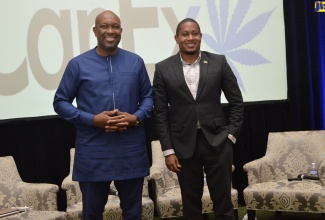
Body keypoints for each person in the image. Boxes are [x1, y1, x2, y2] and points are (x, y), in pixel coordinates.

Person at [53, 10, 153, 220]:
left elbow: (149, 98)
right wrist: (92, 120)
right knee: (92, 213)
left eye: (115, 27)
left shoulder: (135, 62)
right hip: (94, 151)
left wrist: (136, 117)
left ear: (121, 31)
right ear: (95, 31)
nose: (110, 31)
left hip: (130, 150)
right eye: (105, 26)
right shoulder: (78, 64)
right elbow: (60, 102)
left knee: (133, 213)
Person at [152, 18, 244, 220]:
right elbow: (160, 113)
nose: (190, 37)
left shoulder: (219, 62)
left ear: (201, 36)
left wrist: (231, 137)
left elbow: (237, 102)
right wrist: (168, 150)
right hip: (183, 145)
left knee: (223, 204)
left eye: (195, 33)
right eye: (185, 34)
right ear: (177, 38)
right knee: (191, 206)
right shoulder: (163, 69)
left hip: (218, 143)